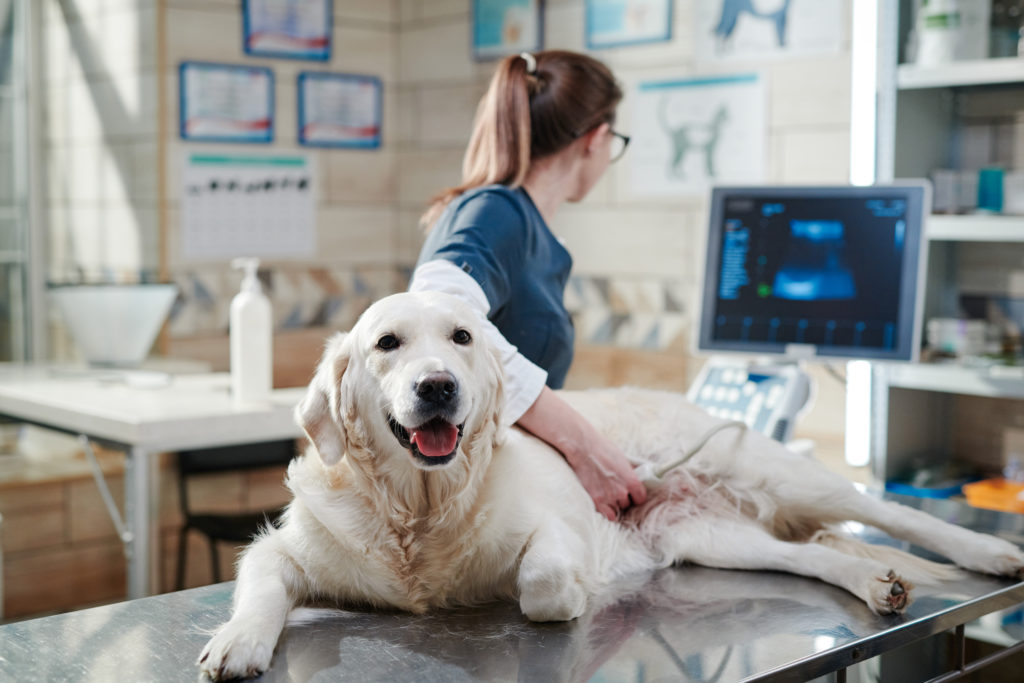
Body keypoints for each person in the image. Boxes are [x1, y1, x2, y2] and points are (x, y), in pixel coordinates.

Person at [409, 49, 646, 521]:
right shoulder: (497, 211)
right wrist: (584, 446)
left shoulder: (525, 226)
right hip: (474, 508)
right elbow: (434, 310)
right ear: (596, 139)